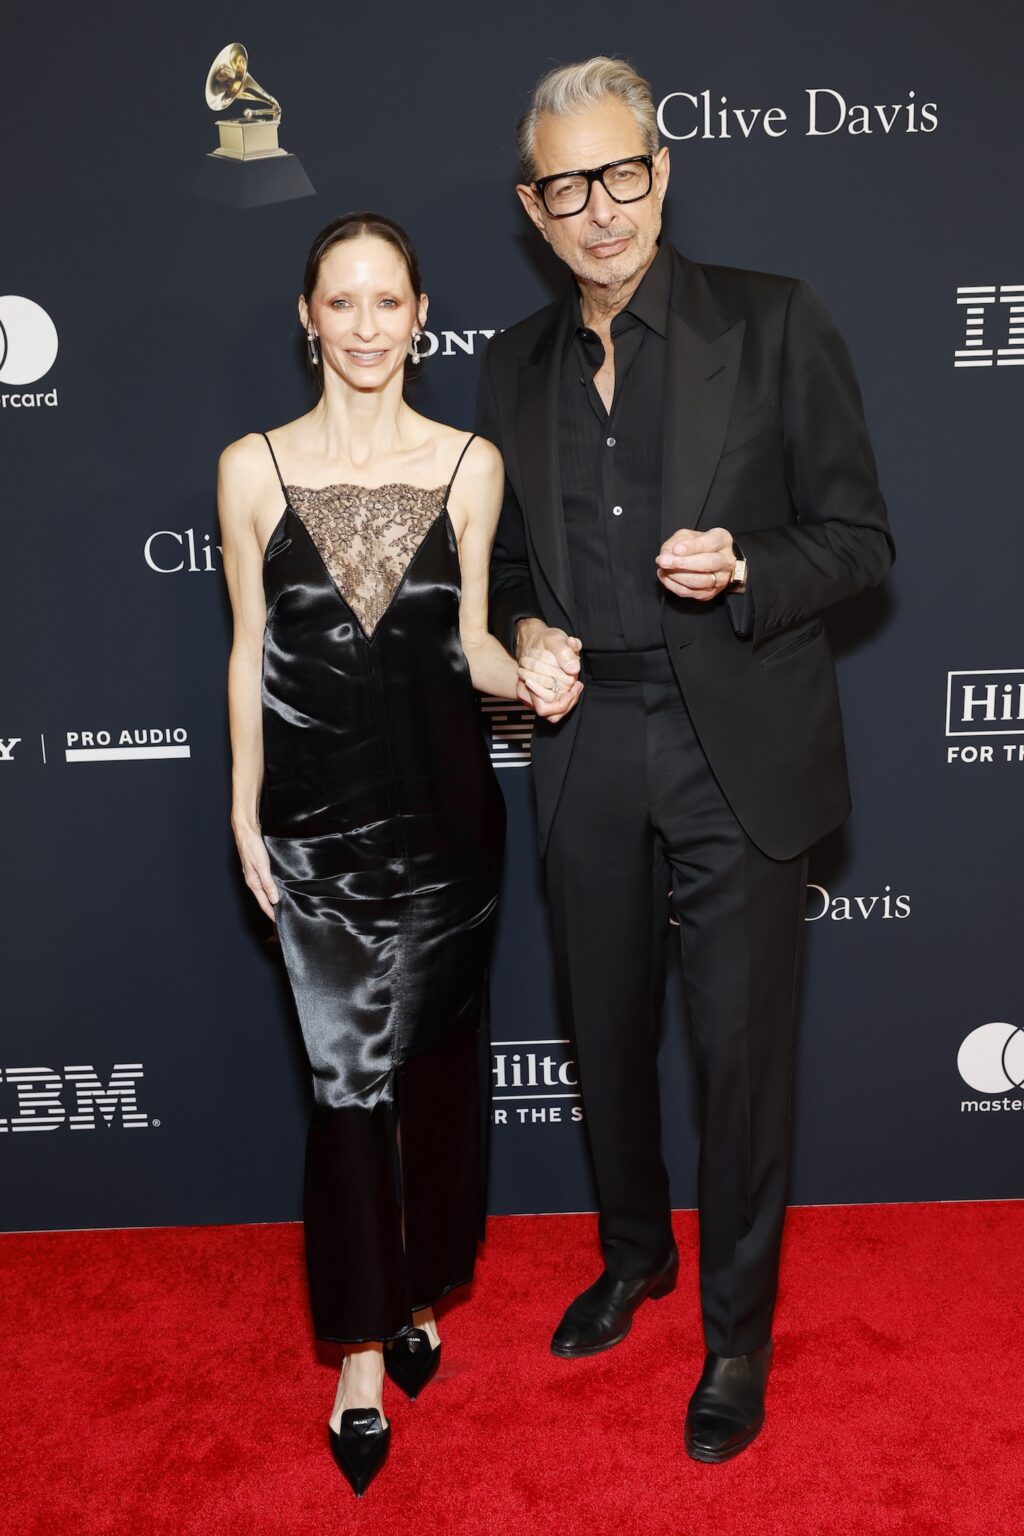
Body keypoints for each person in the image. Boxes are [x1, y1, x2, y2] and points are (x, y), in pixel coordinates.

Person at [478, 58, 894, 1462]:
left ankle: (735, 1337)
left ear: (663, 172)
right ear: (532, 208)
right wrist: (526, 629)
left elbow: (861, 542)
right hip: (586, 734)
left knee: (739, 1057)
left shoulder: (772, 322)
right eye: (568, 187)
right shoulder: (511, 367)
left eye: (623, 174)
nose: (601, 210)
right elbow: (503, 566)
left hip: (738, 742)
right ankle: (634, 1255)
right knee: (603, 1030)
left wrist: (749, 563)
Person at [219, 212, 518, 1496]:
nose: (363, 324)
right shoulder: (250, 469)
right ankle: (356, 1348)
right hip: (318, 832)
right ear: (307, 318)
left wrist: (536, 669)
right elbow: (246, 649)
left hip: (450, 828)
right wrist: (244, 809)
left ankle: (424, 1291)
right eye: (339, 301)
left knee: (438, 1075)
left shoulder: (469, 464)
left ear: (420, 316)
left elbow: (476, 644)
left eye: (385, 301)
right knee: (347, 1089)